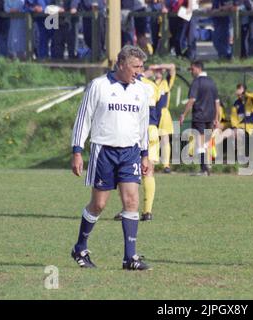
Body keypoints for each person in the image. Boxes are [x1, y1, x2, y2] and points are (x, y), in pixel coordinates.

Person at [70, 45, 152, 271]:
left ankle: (130, 258)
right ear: (122, 64)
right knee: (99, 204)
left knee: (132, 201)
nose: (139, 71)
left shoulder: (141, 91)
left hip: (130, 153)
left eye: (142, 67)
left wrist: (145, 154)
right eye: (136, 66)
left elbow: (143, 125)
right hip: (103, 151)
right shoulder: (99, 86)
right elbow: (83, 118)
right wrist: (77, 151)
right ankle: (80, 248)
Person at [114, 66, 160, 222]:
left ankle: (126, 209)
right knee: (149, 171)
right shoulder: (152, 85)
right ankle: (147, 212)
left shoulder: (128, 85)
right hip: (152, 129)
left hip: (134, 130)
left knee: (125, 171)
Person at [179, 60, 220, 176]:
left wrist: (183, 114)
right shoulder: (212, 82)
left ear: (198, 68)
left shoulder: (196, 82)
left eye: (192, 69)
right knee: (206, 142)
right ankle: (207, 165)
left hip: (199, 117)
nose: (191, 72)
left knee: (199, 143)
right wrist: (216, 118)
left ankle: (204, 169)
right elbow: (217, 102)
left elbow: (191, 100)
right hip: (210, 117)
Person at [151, 63, 176, 174]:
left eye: (160, 71)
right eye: (157, 71)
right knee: (153, 139)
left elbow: (172, 67)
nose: (159, 72)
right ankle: (152, 162)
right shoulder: (149, 83)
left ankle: (166, 165)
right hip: (152, 113)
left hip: (164, 113)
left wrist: (160, 66)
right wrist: (153, 69)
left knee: (165, 139)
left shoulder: (166, 82)